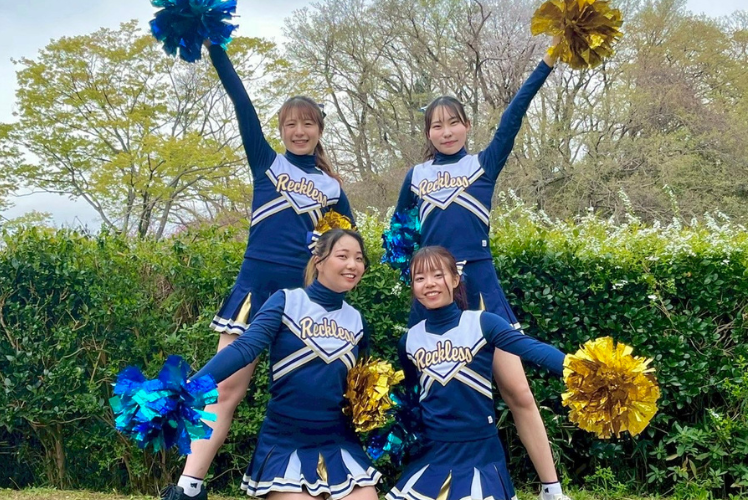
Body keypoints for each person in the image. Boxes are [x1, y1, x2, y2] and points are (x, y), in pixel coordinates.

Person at [166, 40, 356, 500]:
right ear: (280, 130)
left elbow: (349, 246)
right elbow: (241, 102)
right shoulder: (267, 162)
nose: (299, 131)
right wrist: (215, 49)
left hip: (303, 301)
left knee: (307, 395)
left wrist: (326, 252)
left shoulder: (333, 187)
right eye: (290, 124)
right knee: (225, 390)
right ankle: (189, 486)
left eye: (307, 123)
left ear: (319, 130)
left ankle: (317, 482)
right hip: (255, 289)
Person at [390, 38, 569, 500]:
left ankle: (551, 487)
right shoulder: (416, 176)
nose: (446, 131)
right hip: (433, 295)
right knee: (424, 391)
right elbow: (399, 236)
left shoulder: (482, 165)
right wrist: (417, 278)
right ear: (427, 133)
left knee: (518, 392)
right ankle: (427, 476)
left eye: (454, 122)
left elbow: (513, 116)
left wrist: (546, 63)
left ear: (467, 126)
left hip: (481, 288)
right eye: (437, 125)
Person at [163, 229, 381, 500]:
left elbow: (360, 389)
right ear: (319, 261)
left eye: (359, 258)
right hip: (286, 443)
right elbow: (243, 348)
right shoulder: (286, 301)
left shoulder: (357, 320)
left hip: (338, 443)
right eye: (343, 256)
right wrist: (190, 387)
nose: (352, 265)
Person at [388, 246, 566, 500]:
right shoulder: (409, 341)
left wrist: (580, 368)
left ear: (455, 279)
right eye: (420, 278)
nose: (429, 283)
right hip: (434, 456)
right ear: (413, 287)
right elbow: (413, 399)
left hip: (481, 457)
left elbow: (532, 349)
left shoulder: (483, 323)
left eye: (438, 275)